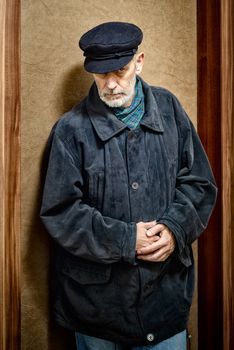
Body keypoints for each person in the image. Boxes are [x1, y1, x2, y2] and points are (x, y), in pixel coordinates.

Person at [40, 22, 217, 350]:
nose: (110, 84)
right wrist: (125, 240)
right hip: (97, 312)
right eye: (100, 74)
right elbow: (61, 212)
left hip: (166, 303)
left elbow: (199, 183)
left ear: (139, 61)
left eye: (120, 71)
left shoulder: (170, 109)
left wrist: (174, 228)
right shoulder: (69, 131)